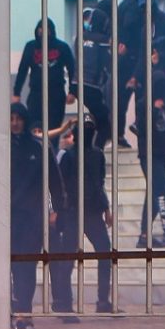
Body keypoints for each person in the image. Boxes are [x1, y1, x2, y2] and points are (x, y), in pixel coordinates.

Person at [51, 113, 115, 315]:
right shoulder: (67, 155)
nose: (87, 134)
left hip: (93, 212)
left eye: (90, 130)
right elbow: (57, 185)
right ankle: (64, 303)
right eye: (83, 130)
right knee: (68, 258)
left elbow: (99, 183)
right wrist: (56, 211)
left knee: (105, 252)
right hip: (72, 211)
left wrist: (106, 208)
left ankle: (103, 300)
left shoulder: (98, 155)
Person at [10, 103, 64, 329]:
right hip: (7, 217)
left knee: (27, 264)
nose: (15, 123)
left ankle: (24, 313)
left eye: (19, 118)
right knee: (12, 266)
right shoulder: (0, 147)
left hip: (32, 215)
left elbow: (54, 181)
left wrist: (56, 210)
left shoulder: (38, 147)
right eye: (11, 118)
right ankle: (15, 311)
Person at [133, 70, 165, 248]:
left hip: (161, 154)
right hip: (148, 155)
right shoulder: (142, 104)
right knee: (164, 190)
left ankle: (144, 235)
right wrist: (154, 110)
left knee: (154, 192)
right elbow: (141, 128)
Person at [12, 18, 77, 130]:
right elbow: (22, 70)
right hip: (36, 94)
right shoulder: (30, 47)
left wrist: (73, 92)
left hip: (56, 94)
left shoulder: (62, 47)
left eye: (46, 30)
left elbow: (73, 70)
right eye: (40, 29)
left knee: (54, 128)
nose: (43, 32)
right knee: (34, 127)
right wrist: (16, 93)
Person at [116, 0, 148, 148]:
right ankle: (139, 127)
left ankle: (118, 133)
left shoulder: (122, 5)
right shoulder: (133, 7)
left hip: (122, 58)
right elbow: (130, 25)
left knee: (121, 97)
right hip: (133, 57)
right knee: (140, 95)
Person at [73, 8, 112, 149]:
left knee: (94, 118)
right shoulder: (103, 41)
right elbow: (108, 64)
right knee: (106, 123)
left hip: (77, 83)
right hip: (92, 86)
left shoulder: (80, 38)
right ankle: (96, 150)